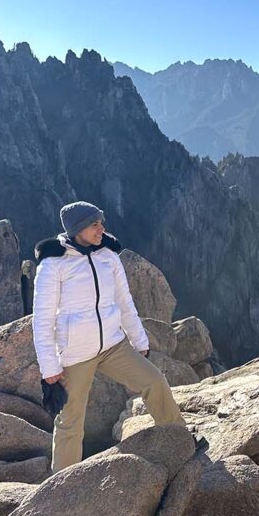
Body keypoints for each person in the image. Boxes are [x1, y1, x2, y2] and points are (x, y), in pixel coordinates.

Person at [32, 201, 185, 471]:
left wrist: (139, 341)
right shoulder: (53, 264)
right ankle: (60, 486)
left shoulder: (108, 256)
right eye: (95, 224)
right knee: (70, 419)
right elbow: (42, 320)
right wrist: (49, 368)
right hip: (76, 353)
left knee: (155, 382)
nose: (101, 228)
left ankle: (180, 441)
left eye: (101, 222)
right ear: (78, 229)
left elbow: (124, 302)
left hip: (113, 346)